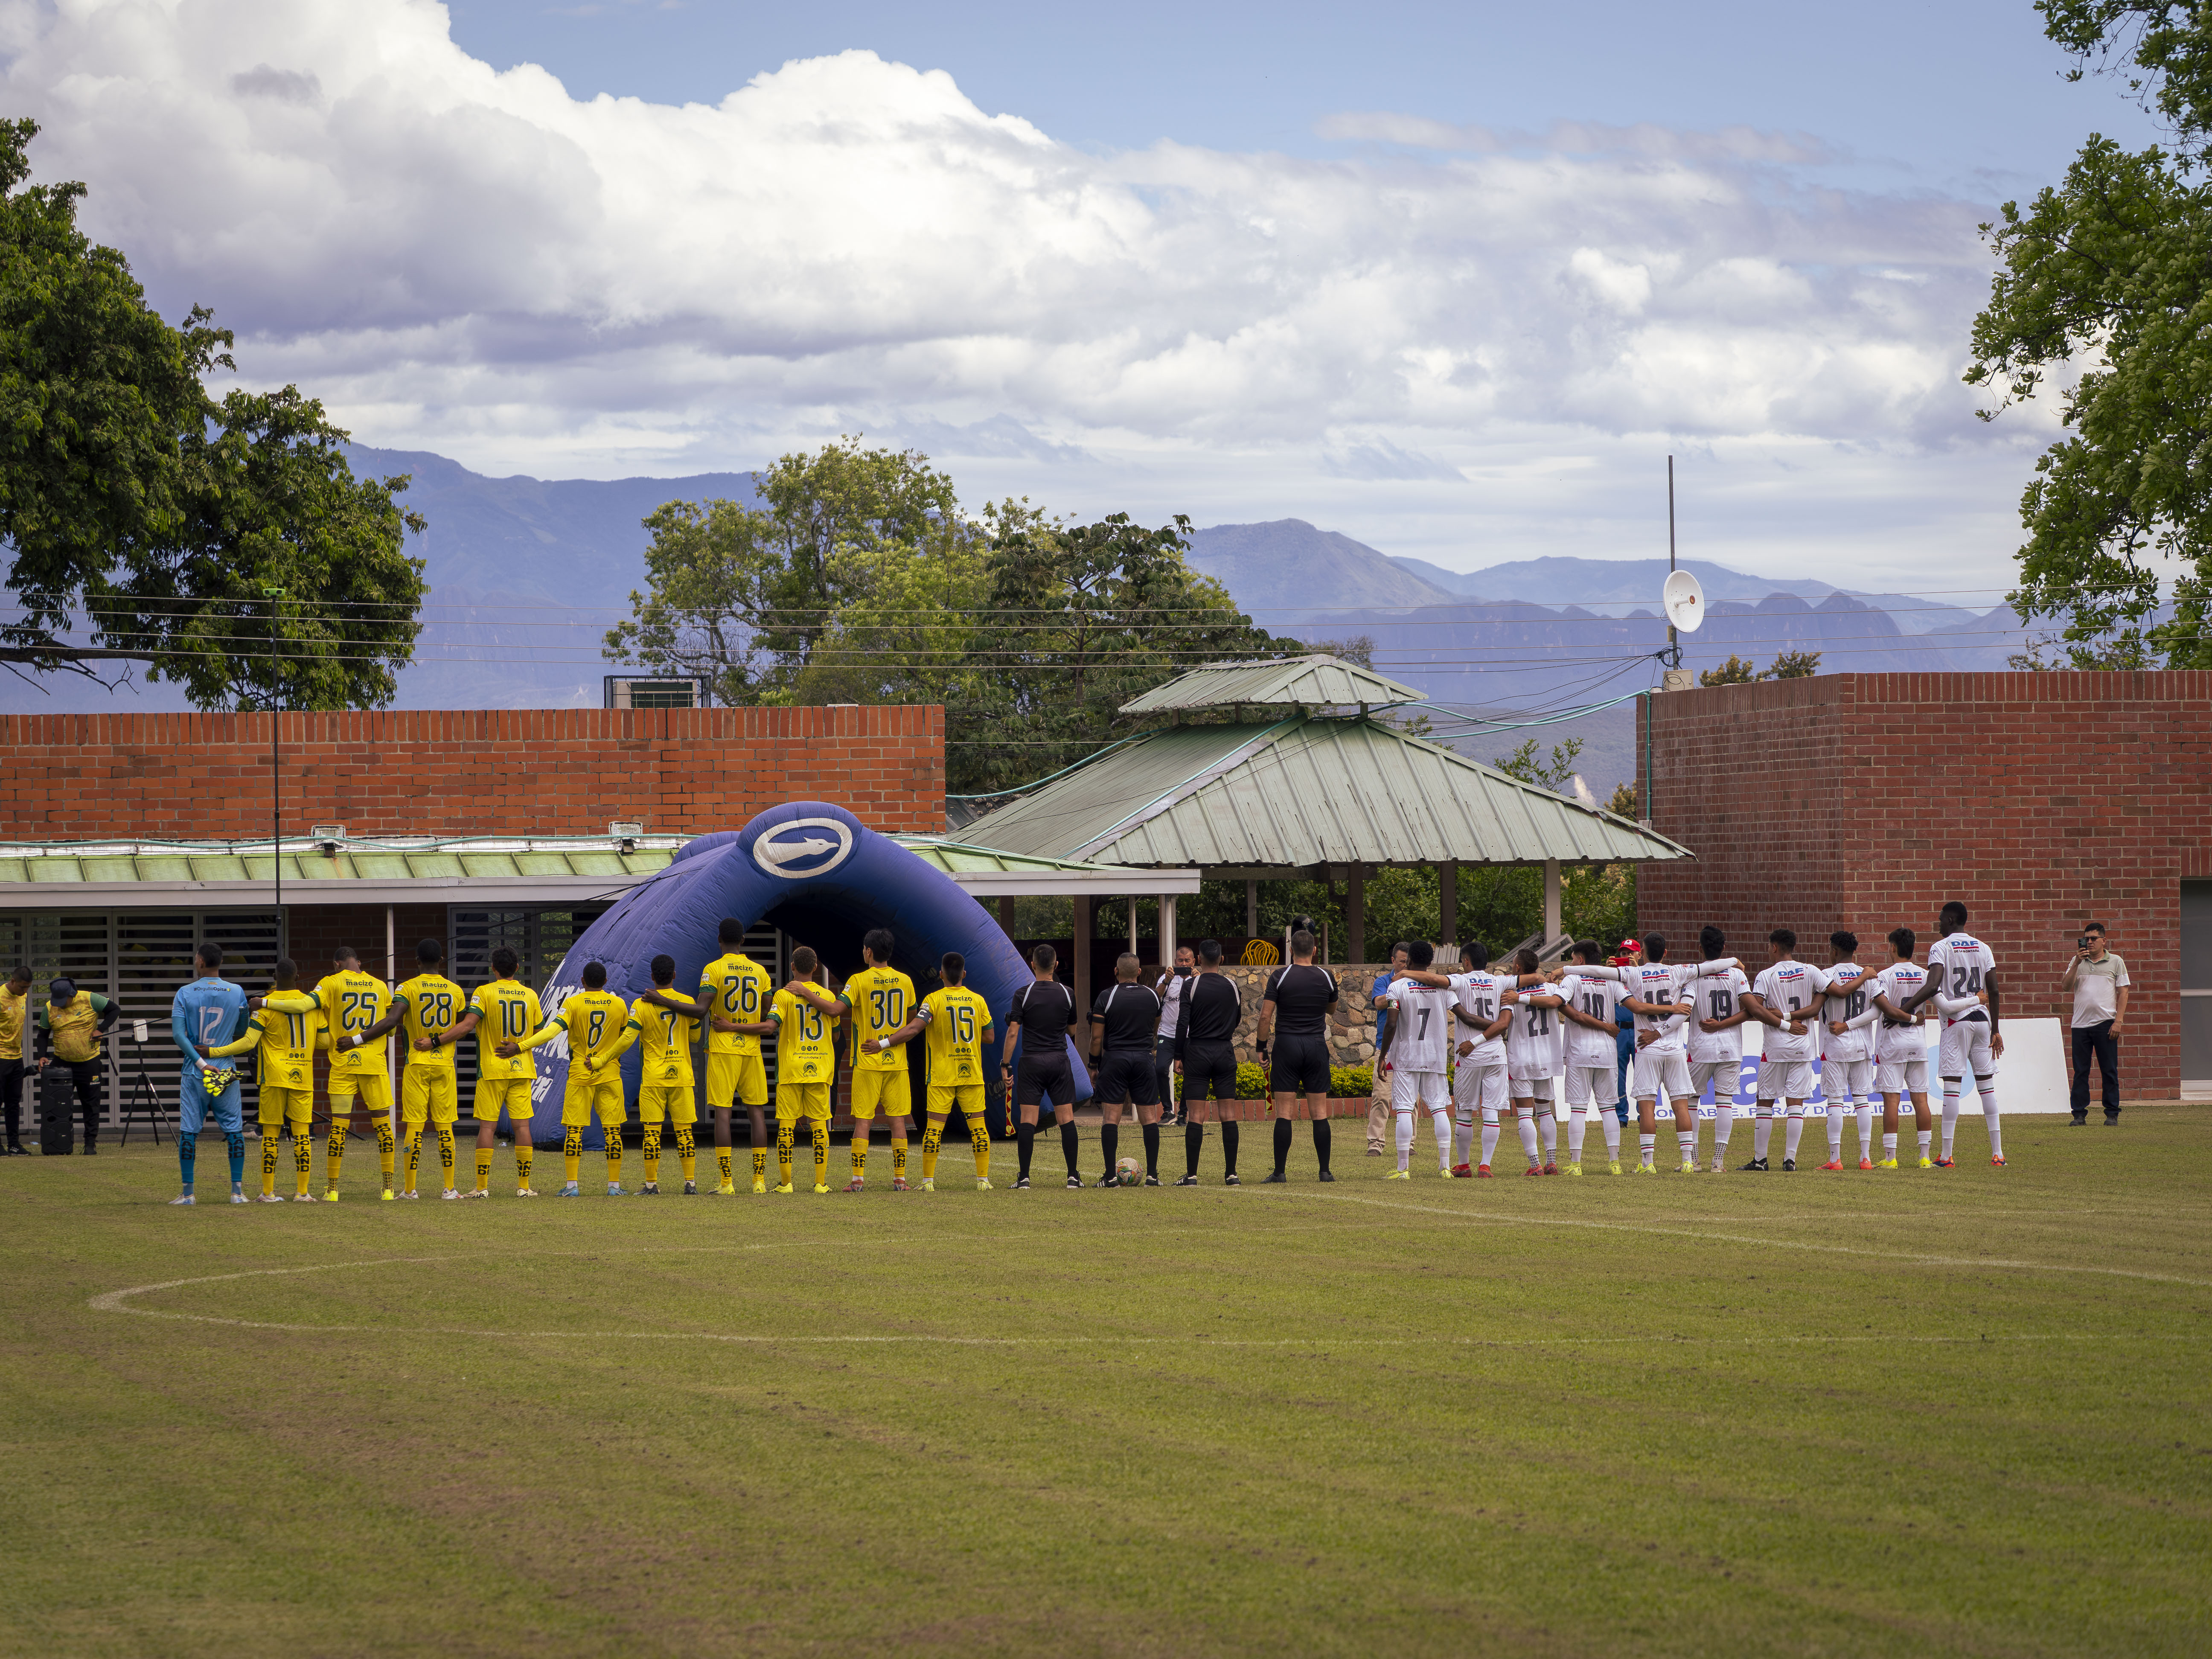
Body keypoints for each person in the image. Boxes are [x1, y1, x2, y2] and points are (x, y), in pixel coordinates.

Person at [511, 960, 629, 1197]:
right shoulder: (619, 1004)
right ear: (606, 981)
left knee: (574, 1130)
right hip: (609, 1073)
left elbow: (551, 1031)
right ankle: (614, 1186)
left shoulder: (574, 1003)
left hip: (580, 1073)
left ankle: (572, 1186)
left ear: (583, 982)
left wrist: (522, 1046)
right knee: (613, 1130)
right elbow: (624, 1038)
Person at [210, 958, 321, 1202]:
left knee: (270, 1133)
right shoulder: (312, 1005)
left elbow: (249, 1042)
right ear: (298, 976)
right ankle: (303, 1192)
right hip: (303, 1075)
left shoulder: (264, 1007)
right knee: (302, 1134)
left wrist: (212, 1052)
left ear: (274, 976)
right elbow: (324, 1041)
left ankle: (268, 1192)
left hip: (274, 1076)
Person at [1903, 901, 2004, 1167]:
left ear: (1950, 920)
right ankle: (1998, 1154)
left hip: (1955, 1022)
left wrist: (1904, 1009)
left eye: (1939, 919)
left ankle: (1947, 1155)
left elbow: (1933, 985)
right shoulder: (1983, 947)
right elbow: (1993, 991)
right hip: (1983, 1021)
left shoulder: (1941, 947)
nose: (1937, 924)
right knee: (1987, 1088)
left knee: (1951, 1088)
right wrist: (1996, 1028)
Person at [295, 946, 395, 1199]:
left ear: (337, 964)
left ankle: (332, 1189)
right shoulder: (381, 986)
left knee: (339, 1126)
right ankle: (388, 1188)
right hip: (374, 1062)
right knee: (383, 1125)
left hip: (343, 1063)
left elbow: (307, 1005)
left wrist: (266, 1001)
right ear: (358, 963)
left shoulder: (331, 982)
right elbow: (391, 1030)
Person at [603, 955, 704, 1195]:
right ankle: (690, 1184)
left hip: (653, 1077)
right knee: (685, 1131)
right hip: (681, 1073)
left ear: (652, 977)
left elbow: (628, 1038)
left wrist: (603, 1059)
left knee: (651, 1131)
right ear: (675, 975)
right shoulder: (687, 1001)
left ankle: (651, 1185)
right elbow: (695, 1038)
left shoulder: (641, 1004)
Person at [694, 920, 775, 1192]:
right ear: (742, 940)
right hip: (751, 1048)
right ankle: (759, 1181)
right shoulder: (760, 971)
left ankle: (727, 1182)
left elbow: (701, 1009)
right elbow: (766, 1012)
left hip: (723, 1047)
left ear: (720, 940)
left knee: (723, 1114)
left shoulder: (713, 969)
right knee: (757, 1113)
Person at [390, 940, 475, 1197]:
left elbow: (395, 1025)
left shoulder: (408, 987)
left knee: (414, 1126)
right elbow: (461, 1027)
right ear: (442, 961)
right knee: (445, 1126)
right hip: (444, 1064)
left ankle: (409, 1190)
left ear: (417, 961)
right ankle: (449, 1188)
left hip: (417, 1063)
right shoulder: (455, 990)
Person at [1254, 928, 1338, 1184]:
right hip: (1315, 1044)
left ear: (1291, 950)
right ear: (1315, 951)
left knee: (1284, 1112)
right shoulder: (1327, 976)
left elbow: (1265, 1016)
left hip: (1287, 1045)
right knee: (1319, 1111)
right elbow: (1332, 1009)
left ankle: (1280, 1172)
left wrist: (1261, 1047)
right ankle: (1325, 1172)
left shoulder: (1280, 976)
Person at [169, 943, 250, 1205]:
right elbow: (243, 1030)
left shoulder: (185, 993)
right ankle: (237, 1193)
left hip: (195, 1072)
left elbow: (179, 1036)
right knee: (234, 1129)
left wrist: (201, 1062)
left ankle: (189, 1194)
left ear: (201, 962)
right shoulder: (236, 991)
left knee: (190, 1131)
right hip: (226, 1070)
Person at [1000, 943, 1082, 1190]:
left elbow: (1013, 1033)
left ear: (1032, 965)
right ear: (1056, 966)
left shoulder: (1022, 994)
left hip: (1032, 1060)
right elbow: (1073, 1030)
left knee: (1028, 1118)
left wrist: (1005, 1064)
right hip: (1058, 1059)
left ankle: (1024, 1178)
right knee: (1066, 1117)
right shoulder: (1068, 993)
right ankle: (1073, 1177)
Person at [843, 929, 919, 1191]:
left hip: (867, 1061)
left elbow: (837, 1009)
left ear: (869, 952)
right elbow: (910, 1024)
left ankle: (858, 1181)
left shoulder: (859, 980)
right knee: (898, 1120)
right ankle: (900, 1179)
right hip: (897, 1062)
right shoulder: (906, 981)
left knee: (864, 1120)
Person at [912, 951, 994, 1191]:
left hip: (942, 1073)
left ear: (941, 975)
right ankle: (983, 1180)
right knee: (978, 1127)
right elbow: (989, 1036)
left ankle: (928, 1182)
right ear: (964, 974)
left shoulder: (933, 1000)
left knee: (934, 1129)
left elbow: (918, 1027)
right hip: (971, 1072)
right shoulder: (978, 1000)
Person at [1740, 930, 1821, 1172]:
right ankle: (1790, 1160)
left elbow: (1757, 1009)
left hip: (1776, 1048)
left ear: (1774, 947)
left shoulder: (1766, 975)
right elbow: (1823, 1001)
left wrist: (1784, 1022)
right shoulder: (1811, 971)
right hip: (1804, 1046)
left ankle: (1760, 1160)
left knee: (1765, 1101)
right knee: (1795, 1103)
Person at [466, 948, 543, 1196]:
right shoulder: (530, 995)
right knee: (522, 1127)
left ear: (493, 969)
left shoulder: (484, 992)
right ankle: (524, 1187)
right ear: (518, 968)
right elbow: (540, 1031)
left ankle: (482, 1188)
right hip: (521, 1067)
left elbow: (471, 1023)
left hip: (492, 1068)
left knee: (487, 1128)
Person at [1375, 940, 1454, 1179]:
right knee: (1440, 1108)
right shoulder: (1443, 987)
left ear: (1408, 960)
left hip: (1407, 1057)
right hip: (1435, 1056)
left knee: (1404, 1110)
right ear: (1431, 962)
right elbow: (1460, 1014)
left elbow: (1391, 1023)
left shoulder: (1397, 986)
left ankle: (1403, 1169)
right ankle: (1445, 1167)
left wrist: (1383, 1055)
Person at [768, 948, 844, 1193]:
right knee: (819, 1124)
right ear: (815, 968)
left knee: (786, 1124)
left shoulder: (783, 995)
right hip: (820, 1067)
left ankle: (786, 1183)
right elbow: (835, 1036)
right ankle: (821, 1183)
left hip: (791, 1067)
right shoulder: (828, 996)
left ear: (792, 966)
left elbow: (774, 1024)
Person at [1858, 928, 1933, 1167]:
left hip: (1892, 1045)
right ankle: (1925, 1157)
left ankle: (1891, 1159)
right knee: (1921, 1101)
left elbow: (1881, 1010)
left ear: (1892, 947)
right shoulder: (1925, 975)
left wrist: (1847, 1025)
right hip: (1918, 1044)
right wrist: (1917, 1019)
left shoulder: (1885, 976)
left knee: (1892, 1101)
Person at [1621, 934, 1695, 1174]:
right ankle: (1687, 1161)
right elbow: (1684, 1010)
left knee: (1647, 1108)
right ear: (1665, 952)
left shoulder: (1634, 974)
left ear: (1641, 952)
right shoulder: (1678, 972)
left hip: (1647, 1047)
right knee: (1681, 1106)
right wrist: (1733, 961)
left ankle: (1648, 1163)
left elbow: (1602, 973)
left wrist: (1565, 970)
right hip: (1674, 1049)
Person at [1090, 953, 1164, 1185]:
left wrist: (1094, 1064)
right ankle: (1152, 1176)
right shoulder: (1153, 995)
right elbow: (1155, 1027)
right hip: (1143, 1059)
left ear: (1116, 971)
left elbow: (1096, 1037)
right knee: (1149, 1118)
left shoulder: (1107, 996)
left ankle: (1110, 1177)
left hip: (1115, 1060)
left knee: (1111, 1118)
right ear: (1139, 972)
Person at [1174, 939, 1245, 1186]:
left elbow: (1182, 1023)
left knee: (1196, 1115)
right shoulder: (1232, 986)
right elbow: (1237, 1018)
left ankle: (1191, 1176)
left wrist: (1178, 1055)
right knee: (1228, 1113)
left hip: (1198, 1051)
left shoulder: (1191, 986)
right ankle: (1232, 1175)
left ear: (1200, 960)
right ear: (1222, 960)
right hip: (1224, 1050)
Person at [1682, 927, 1750, 1173]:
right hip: (1730, 1048)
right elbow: (1750, 1010)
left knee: (1691, 1102)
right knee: (1725, 1103)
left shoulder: (1694, 976)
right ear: (1724, 948)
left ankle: (1695, 1161)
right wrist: (1723, 1024)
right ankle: (1718, 1162)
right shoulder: (1737, 975)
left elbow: (1685, 1008)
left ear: (1700, 948)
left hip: (1700, 1048)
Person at [1556, 941, 1626, 1175]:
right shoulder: (1612, 980)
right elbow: (1631, 1004)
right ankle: (1614, 1163)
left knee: (1578, 1110)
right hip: (1607, 1051)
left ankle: (1576, 1164)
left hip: (1580, 1051)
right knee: (1608, 1109)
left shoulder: (1572, 979)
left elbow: (1561, 1004)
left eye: (1574, 959)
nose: (1572, 963)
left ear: (1581, 960)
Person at [1444, 942, 1511, 1176]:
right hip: (1496, 1054)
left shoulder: (1460, 981)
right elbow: (1533, 977)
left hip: (1469, 1054)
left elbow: (1436, 982)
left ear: (1465, 961)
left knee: (1464, 1112)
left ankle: (1464, 1165)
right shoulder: (1501, 981)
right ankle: (1486, 1165)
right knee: (1491, 1111)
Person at [1811, 931, 1875, 1171]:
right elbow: (1878, 1011)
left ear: (1834, 951)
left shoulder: (1826, 975)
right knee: (1862, 1101)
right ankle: (1865, 1158)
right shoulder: (1868, 974)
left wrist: (1845, 1025)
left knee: (1836, 1101)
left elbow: (1825, 999)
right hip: (1862, 1045)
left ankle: (1836, 1159)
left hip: (1835, 1046)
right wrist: (1853, 1025)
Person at [1502, 947, 1566, 1176]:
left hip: (1521, 1058)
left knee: (1525, 1114)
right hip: (1546, 1057)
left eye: (1513, 964)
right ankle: (1551, 1162)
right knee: (1546, 1112)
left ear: (1518, 968)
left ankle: (1534, 1165)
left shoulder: (1510, 991)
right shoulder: (1551, 988)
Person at [38, 975, 119, 1153]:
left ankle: (90, 1144)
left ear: (72, 994)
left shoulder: (90, 999)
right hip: (61, 1064)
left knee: (91, 1104)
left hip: (89, 1062)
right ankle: (60, 1144)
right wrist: (42, 1056)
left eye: (63, 1000)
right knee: (59, 1104)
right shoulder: (50, 1008)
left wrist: (101, 1029)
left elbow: (114, 1010)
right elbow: (43, 1035)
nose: (60, 1004)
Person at [2062, 923, 2129, 1126]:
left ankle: (2111, 1113)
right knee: (2081, 1071)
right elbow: (2066, 987)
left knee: (2109, 1069)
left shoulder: (2116, 961)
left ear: (2103, 941)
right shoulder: (2077, 961)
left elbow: (2123, 992)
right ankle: (2079, 1114)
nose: (2089, 942)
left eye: (2093, 939)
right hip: (2080, 1025)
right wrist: (2076, 964)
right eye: (2086, 939)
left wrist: (2118, 1021)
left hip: (2106, 1024)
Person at [1365, 943, 1410, 1155]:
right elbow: (1379, 1003)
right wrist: (1397, 986)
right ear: (1393, 961)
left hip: (1411, 1048)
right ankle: (1375, 1144)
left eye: (1408, 962)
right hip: (1386, 1048)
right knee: (1382, 1096)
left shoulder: (1418, 982)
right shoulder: (1383, 981)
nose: (1405, 965)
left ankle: (1409, 1144)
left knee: (1412, 1100)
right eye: (1402, 961)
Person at [1154, 945, 1194, 1129]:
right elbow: (1155, 999)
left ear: (1194, 962)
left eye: (1187, 961)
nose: (1184, 964)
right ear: (1175, 961)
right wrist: (1166, 982)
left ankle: (1183, 1114)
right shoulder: (1167, 978)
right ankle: (1168, 1111)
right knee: (1161, 1068)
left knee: (1190, 1074)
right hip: (1167, 1034)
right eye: (1180, 961)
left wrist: (1198, 978)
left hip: (1189, 1035)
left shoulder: (1198, 981)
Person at [0, 964, 30, 1155]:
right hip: (1, 1057)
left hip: (17, 1057)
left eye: (28, 988)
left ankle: (14, 1144)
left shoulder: (23, 996)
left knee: (13, 1104)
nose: (25, 991)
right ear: (13, 981)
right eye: (22, 987)